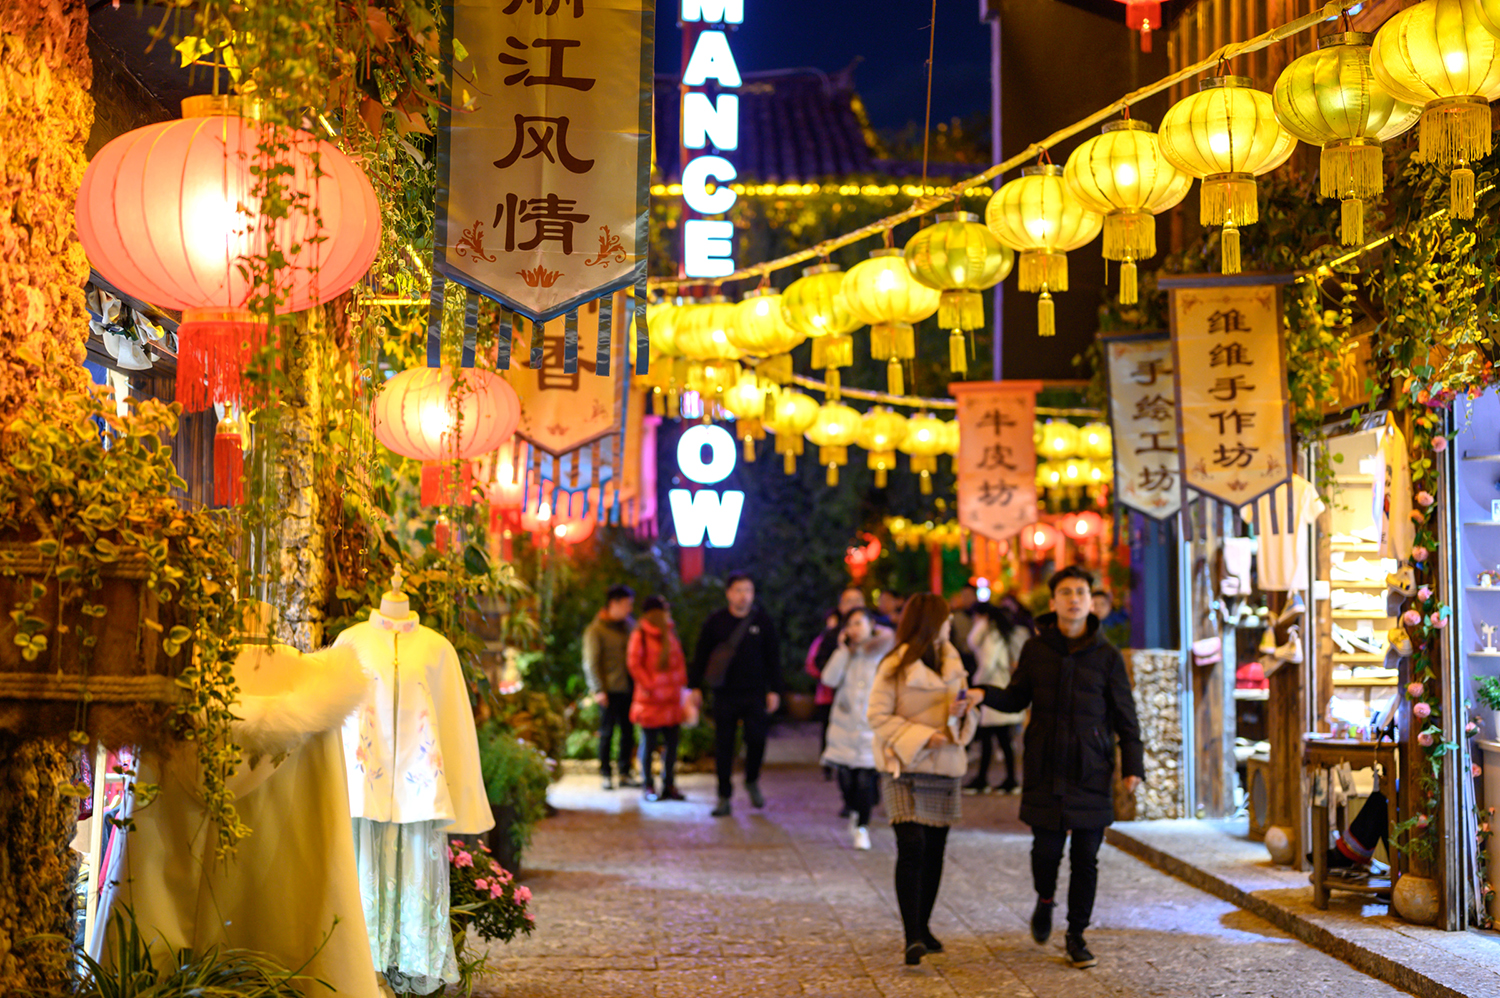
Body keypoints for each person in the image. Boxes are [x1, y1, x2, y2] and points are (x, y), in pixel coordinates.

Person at [970, 566, 1144, 971]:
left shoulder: (1107, 655)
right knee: (1046, 852)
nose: (1073, 599)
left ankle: (1077, 936)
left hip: (1091, 769)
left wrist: (1131, 764)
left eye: (1080, 592)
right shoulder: (1036, 650)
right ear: (1053, 603)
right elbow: (1016, 699)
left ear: (1090, 601)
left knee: (1086, 857)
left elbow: (1125, 715)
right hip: (1045, 767)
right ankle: (1044, 899)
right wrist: (983, 694)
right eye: (1065, 592)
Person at [868, 592, 979, 966]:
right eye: (946, 619)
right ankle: (911, 935)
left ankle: (925, 926)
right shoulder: (894, 664)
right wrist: (920, 736)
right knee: (911, 843)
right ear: (932, 622)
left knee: (934, 850)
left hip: (944, 766)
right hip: (904, 765)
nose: (950, 625)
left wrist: (962, 716)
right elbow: (877, 716)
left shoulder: (953, 661)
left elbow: (966, 716)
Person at [689, 572, 782, 817]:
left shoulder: (762, 622)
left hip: (754, 694)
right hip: (725, 694)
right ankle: (723, 795)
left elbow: (773, 658)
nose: (744, 596)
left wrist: (774, 689)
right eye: (739, 590)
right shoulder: (716, 622)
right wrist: (695, 686)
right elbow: (701, 655)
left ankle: (752, 779)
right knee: (724, 746)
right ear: (729, 593)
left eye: (748, 590)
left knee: (757, 740)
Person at [820, 606, 895, 850]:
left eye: (858, 623)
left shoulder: (884, 653)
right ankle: (853, 811)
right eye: (850, 625)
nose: (854, 629)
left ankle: (862, 826)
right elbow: (828, 679)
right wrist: (844, 652)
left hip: (871, 729)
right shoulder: (845, 654)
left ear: (871, 624)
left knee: (864, 781)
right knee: (846, 781)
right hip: (844, 727)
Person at [627, 596, 689, 802]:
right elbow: (634, 664)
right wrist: (652, 686)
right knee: (649, 744)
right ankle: (648, 785)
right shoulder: (641, 635)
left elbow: (679, 663)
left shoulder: (669, 633)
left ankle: (669, 784)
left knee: (672, 744)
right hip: (650, 701)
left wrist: (680, 688)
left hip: (671, 701)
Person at [965, 602, 1028, 794]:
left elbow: (988, 662)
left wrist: (976, 682)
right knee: (997, 738)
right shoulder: (996, 633)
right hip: (996, 687)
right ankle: (1001, 780)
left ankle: (998, 780)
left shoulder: (991, 635)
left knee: (994, 738)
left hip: (994, 690)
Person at [584, 584, 637, 790]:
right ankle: (605, 773)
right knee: (606, 733)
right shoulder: (596, 630)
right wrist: (598, 689)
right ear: (613, 604)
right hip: (609, 690)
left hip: (630, 688)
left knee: (628, 732)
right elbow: (591, 662)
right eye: (626, 605)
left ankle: (625, 772)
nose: (629, 609)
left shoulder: (629, 626)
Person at [948, 583, 980, 675]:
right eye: (963, 595)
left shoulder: (983, 617)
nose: (966, 599)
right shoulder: (956, 617)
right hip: (962, 660)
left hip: (979, 660)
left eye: (968, 595)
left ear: (975, 596)